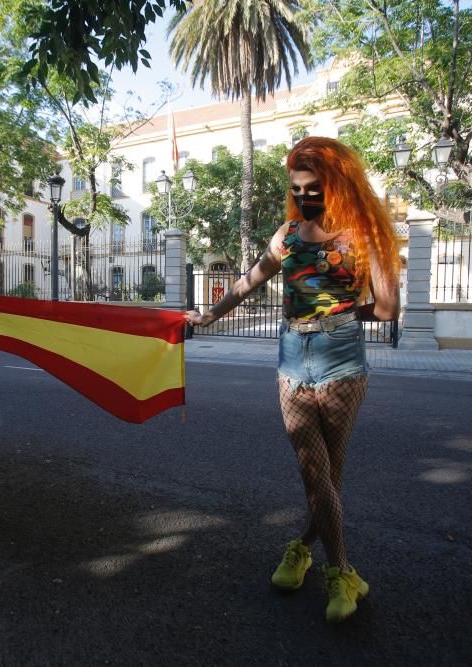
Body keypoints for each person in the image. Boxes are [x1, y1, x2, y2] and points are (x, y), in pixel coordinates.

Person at [185, 137, 400, 622]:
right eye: (297, 189)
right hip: (291, 359)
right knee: (314, 470)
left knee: (328, 474)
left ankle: (307, 552)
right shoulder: (288, 235)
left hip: (343, 359)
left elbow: (388, 308)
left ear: (337, 183)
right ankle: (341, 571)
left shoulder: (365, 235)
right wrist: (212, 315)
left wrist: (340, 313)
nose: (304, 197)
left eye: (313, 188)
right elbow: (249, 279)